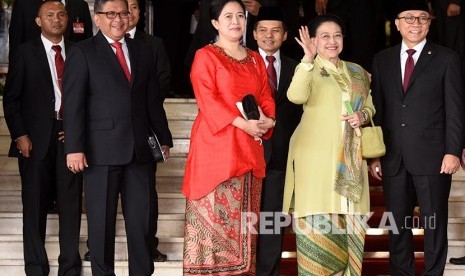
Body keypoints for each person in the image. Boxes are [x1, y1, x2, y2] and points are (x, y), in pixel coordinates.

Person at [62, 0, 172, 275]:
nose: (119, 19)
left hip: (139, 152)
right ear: (96, 18)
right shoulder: (82, 52)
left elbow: (151, 100)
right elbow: (73, 104)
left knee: (141, 224)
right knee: (101, 224)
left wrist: (163, 137)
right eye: (110, 14)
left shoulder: (143, 50)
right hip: (100, 152)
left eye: (124, 13)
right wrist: (74, 148)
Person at [369, 0, 465, 274]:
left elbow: (456, 109)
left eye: (422, 18)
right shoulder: (382, 60)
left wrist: (453, 150)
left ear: (430, 23)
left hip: (434, 158)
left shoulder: (446, 58)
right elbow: (378, 109)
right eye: (409, 18)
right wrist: (375, 153)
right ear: (397, 24)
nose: (415, 23)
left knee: (434, 224)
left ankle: (434, 272)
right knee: (398, 225)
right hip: (393, 158)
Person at [181, 0, 275, 274]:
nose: (236, 21)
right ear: (214, 23)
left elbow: (265, 97)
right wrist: (242, 124)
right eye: (228, 16)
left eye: (240, 16)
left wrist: (268, 120)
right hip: (216, 149)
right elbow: (207, 99)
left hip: (249, 148)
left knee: (246, 226)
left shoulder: (256, 58)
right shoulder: (206, 56)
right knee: (214, 228)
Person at [282, 14, 375, 275]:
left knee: (350, 226)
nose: (332, 41)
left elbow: (370, 106)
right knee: (317, 231)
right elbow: (295, 96)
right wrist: (307, 60)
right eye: (324, 36)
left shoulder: (357, 71)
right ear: (312, 41)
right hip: (316, 160)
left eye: (337, 35)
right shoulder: (308, 68)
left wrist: (362, 116)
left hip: (351, 162)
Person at [3, 1, 83, 275]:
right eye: (49, 15)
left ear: (68, 19)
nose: (56, 19)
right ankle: (36, 266)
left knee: (70, 205)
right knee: (34, 204)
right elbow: (11, 99)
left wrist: (78, 131)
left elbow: (88, 97)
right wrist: (20, 135)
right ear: (38, 21)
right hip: (34, 140)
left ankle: (70, 266)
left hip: (69, 137)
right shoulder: (25, 53)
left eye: (61, 14)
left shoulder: (79, 52)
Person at [252, 6, 302, 276]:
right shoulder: (243, 65)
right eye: (263, 30)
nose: (269, 36)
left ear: (285, 35)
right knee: (244, 224)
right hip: (247, 156)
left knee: (272, 223)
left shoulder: (299, 68)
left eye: (275, 31)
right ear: (254, 34)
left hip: (283, 158)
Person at [8, 0, 93, 61]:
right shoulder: (24, 4)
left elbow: (88, 44)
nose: (56, 20)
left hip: (74, 71)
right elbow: (16, 44)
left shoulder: (81, 5)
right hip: (35, 74)